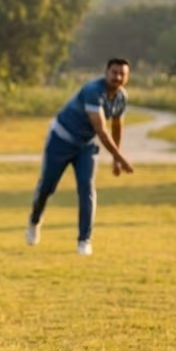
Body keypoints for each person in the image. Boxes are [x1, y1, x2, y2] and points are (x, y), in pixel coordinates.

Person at [26, 59, 134, 256]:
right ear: (106, 72)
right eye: (114, 72)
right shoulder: (93, 91)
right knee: (47, 186)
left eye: (122, 74)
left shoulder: (121, 97)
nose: (117, 77)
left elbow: (117, 125)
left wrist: (116, 160)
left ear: (127, 77)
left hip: (86, 145)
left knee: (86, 188)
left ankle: (84, 240)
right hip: (61, 139)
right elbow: (101, 130)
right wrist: (121, 158)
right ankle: (34, 221)